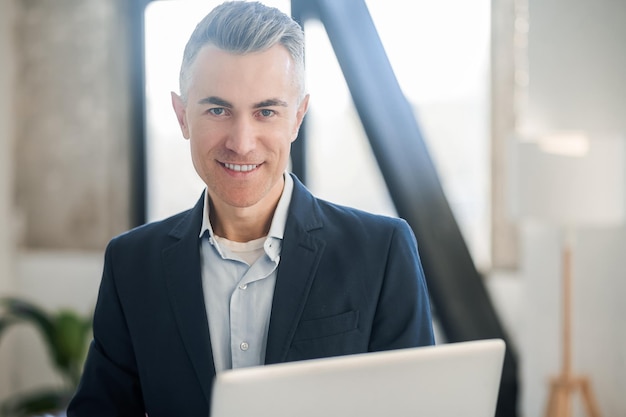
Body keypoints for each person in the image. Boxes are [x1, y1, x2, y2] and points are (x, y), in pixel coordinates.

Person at [67, 1, 434, 416]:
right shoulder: (131, 264)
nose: (241, 143)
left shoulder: (382, 252)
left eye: (266, 111)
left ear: (297, 118)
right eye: (218, 110)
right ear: (182, 115)